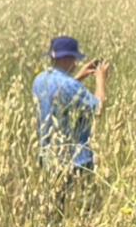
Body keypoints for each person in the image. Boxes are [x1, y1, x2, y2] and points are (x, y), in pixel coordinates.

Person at [33, 35, 110, 177]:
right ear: (66, 59)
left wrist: (79, 77)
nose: (75, 64)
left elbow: (59, 95)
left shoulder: (39, 80)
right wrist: (101, 79)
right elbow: (98, 108)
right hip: (75, 162)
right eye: (74, 59)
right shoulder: (69, 85)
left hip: (48, 160)